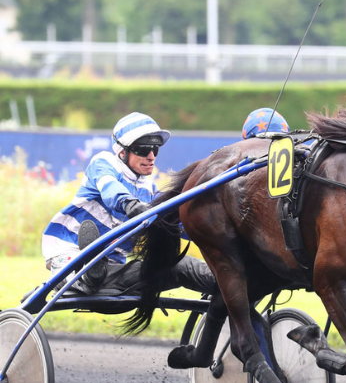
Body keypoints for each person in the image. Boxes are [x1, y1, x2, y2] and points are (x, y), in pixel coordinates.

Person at [42, 112, 216, 296]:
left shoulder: (148, 190)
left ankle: (237, 285)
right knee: (84, 268)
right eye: (143, 149)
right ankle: (84, 274)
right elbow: (111, 189)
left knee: (182, 267)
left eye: (155, 149)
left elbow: (178, 225)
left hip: (114, 270)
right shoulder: (104, 163)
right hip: (68, 252)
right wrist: (130, 204)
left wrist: (209, 232)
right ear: (122, 151)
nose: (151, 156)